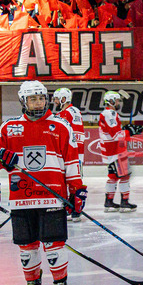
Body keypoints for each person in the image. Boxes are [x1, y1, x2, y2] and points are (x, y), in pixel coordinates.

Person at [0, 81, 86, 285]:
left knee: (54, 244)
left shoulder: (61, 126)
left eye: (41, 98)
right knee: (27, 246)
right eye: (33, 99)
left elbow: (71, 160)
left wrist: (76, 190)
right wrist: (0, 157)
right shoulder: (9, 127)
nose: (38, 103)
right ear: (23, 101)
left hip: (52, 197)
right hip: (21, 197)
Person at [98, 91, 140, 211]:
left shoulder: (107, 113)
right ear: (111, 101)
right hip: (115, 150)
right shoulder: (110, 114)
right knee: (125, 176)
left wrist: (125, 129)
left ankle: (109, 202)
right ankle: (124, 203)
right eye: (117, 101)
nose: (118, 103)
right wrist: (129, 132)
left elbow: (114, 131)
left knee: (113, 176)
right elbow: (115, 135)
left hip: (111, 150)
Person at [53, 88, 86, 219]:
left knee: (69, 180)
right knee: (73, 179)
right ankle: (74, 208)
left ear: (63, 99)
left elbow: (66, 134)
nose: (55, 101)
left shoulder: (67, 113)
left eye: (57, 99)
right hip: (75, 152)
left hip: (70, 152)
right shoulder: (74, 111)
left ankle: (71, 208)